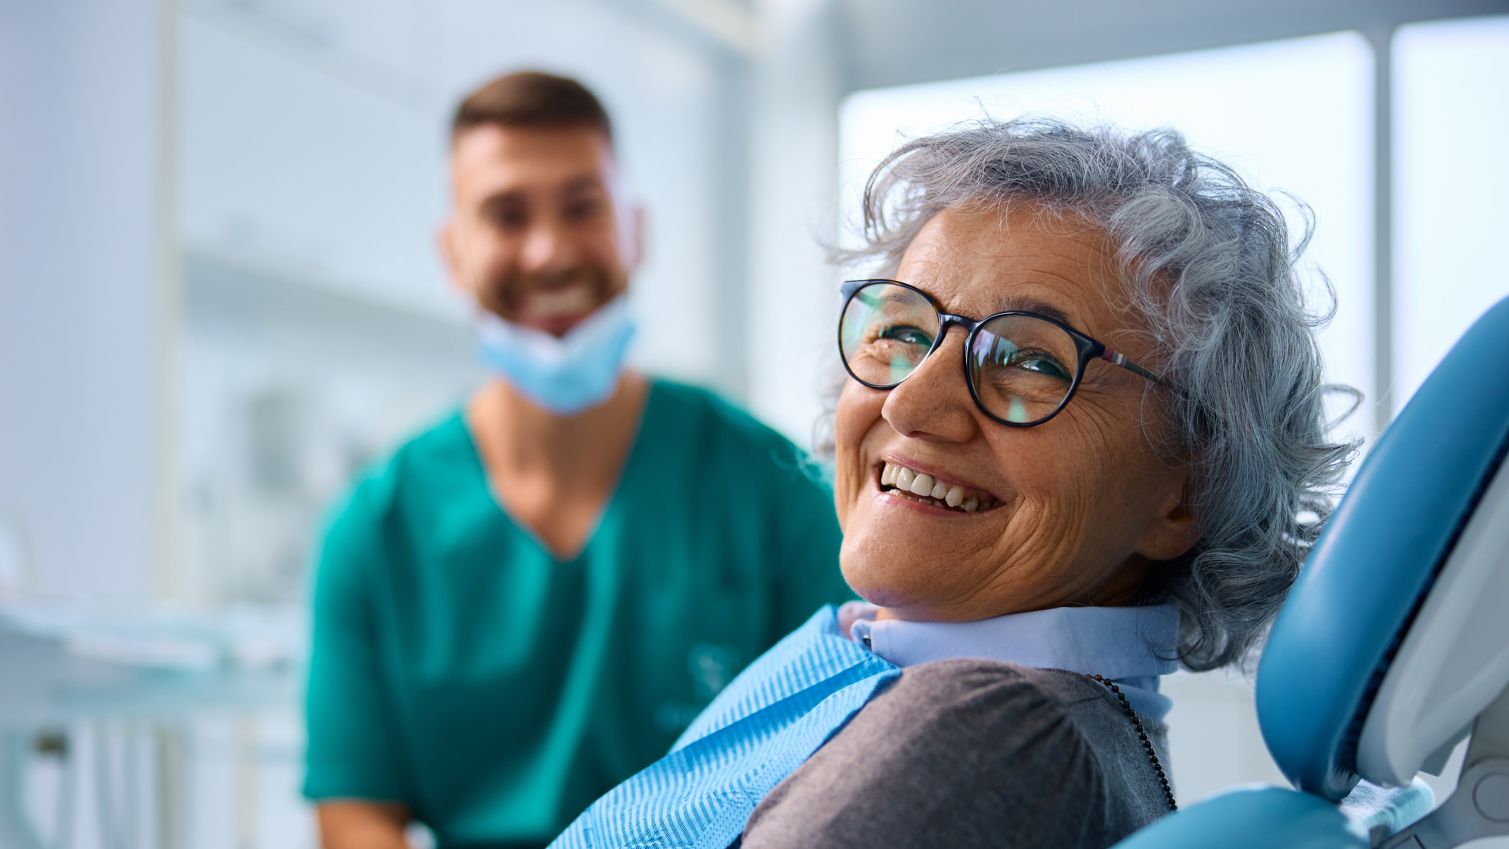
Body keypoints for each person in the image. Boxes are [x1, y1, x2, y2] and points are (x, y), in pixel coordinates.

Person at [546, 117, 1359, 849]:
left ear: (1185, 489)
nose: (911, 399)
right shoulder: (879, 655)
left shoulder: (991, 732)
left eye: (1033, 360)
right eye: (904, 329)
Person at [301, 70, 851, 849]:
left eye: (582, 207)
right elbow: (356, 813)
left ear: (636, 230)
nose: (550, 251)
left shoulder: (770, 489)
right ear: (453, 253)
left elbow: (847, 760)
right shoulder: (374, 532)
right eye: (506, 214)